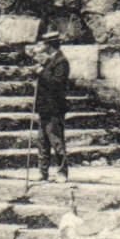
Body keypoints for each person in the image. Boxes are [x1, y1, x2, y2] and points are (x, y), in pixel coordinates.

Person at [32, 30, 71, 182]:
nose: (40, 46)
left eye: (43, 43)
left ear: (50, 45)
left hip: (55, 108)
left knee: (56, 141)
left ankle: (62, 172)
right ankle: (43, 172)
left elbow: (57, 83)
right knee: (42, 141)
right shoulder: (49, 61)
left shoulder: (61, 61)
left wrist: (41, 72)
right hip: (44, 108)